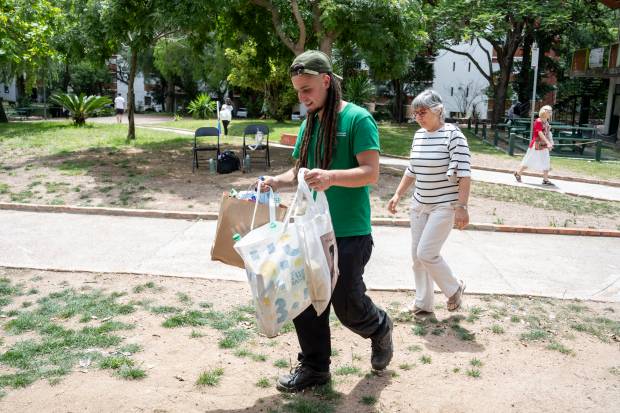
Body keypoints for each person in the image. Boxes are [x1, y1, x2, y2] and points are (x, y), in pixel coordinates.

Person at [260, 50, 393, 393]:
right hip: (308, 231)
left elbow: (371, 172)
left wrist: (332, 177)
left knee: (346, 305)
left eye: (307, 89)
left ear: (326, 81)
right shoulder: (308, 124)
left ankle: (379, 328)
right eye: (298, 91)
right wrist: (277, 180)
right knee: (305, 299)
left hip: (349, 232)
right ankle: (316, 368)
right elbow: (299, 171)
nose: (302, 98)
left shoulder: (358, 120)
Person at [387, 89, 469, 316]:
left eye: (422, 112)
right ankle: (423, 302)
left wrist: (462, 208)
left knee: (426, 252)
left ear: (438, 110)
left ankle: (454, 287)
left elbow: (464, 173)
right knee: (417, 257)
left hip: (445, 204)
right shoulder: (419, 135)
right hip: (419, 202)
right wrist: (398, 194)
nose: (418, 117)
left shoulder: (453, 135)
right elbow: (412, 169)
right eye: (415, 113)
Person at [514, 105, 555, 186]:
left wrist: (548, 129)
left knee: (546, 161)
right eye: (549, 112)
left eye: (550, 112)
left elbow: (544, 133)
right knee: (530, 161)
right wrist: (548, 143)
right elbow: (539, 133)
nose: (550, 114)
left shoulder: (545, 122)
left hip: (543, 145)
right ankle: (518, 173)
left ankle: (545, 180)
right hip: (536, 145)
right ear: (544, 112)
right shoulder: (539, 121)